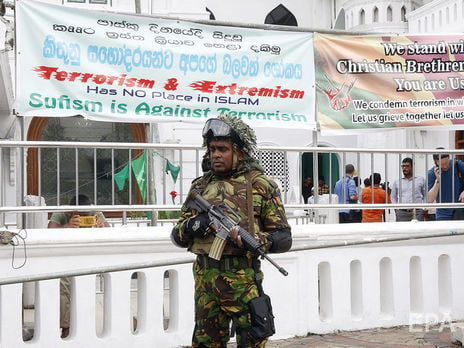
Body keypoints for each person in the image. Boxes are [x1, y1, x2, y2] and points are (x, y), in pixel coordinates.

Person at [171, 115, 292, 347]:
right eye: (212, 149)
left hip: (243, 284)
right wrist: (194, 225)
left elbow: (284, 237)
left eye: (223, 149)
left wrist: (259, 241)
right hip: (206, 284)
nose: (215, 154)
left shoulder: (261, 186)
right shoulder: (200, 187)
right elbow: (177, 236)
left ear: (240, 152)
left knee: (252, 342)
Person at [48, 194, 109, 338]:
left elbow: (109, 228)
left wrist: (102, 225)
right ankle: (66, 327)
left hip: (87, 255)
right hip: (65, 255)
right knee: (64, 289)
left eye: (85, 215)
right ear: (71, 211)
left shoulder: (94, 212)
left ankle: (83, 325)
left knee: (85, 289)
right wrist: (67, 226)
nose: (82, 217)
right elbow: (49, 229)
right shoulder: (62, 212)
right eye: (78, 215)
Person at [427, 149, 464, 220]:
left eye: (446, 163)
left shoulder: (457, 164)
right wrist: (437, 181)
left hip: (460, 209)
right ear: (436, 162)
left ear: (449, 158)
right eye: (442, 164)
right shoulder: (431, 173)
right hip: (443, 213)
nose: (445, 166)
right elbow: (430, 200)